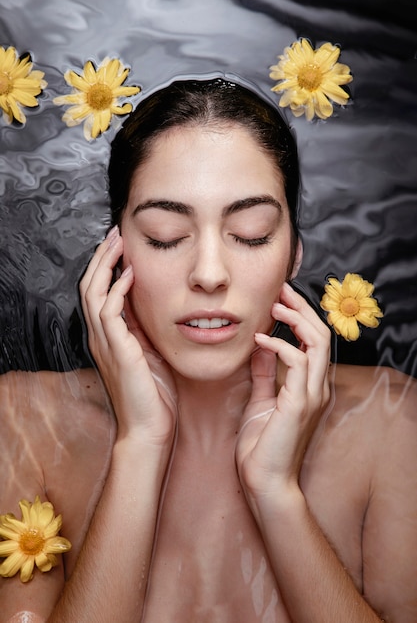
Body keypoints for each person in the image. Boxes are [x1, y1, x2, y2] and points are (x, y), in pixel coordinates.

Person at [0, 76, 416, 623]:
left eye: (251, 232)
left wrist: (276, 493)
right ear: (114, 252)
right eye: (165, 235)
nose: (210, 274)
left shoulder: (391, 420)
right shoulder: (23, 421)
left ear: (294, 253)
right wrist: (140, 443)